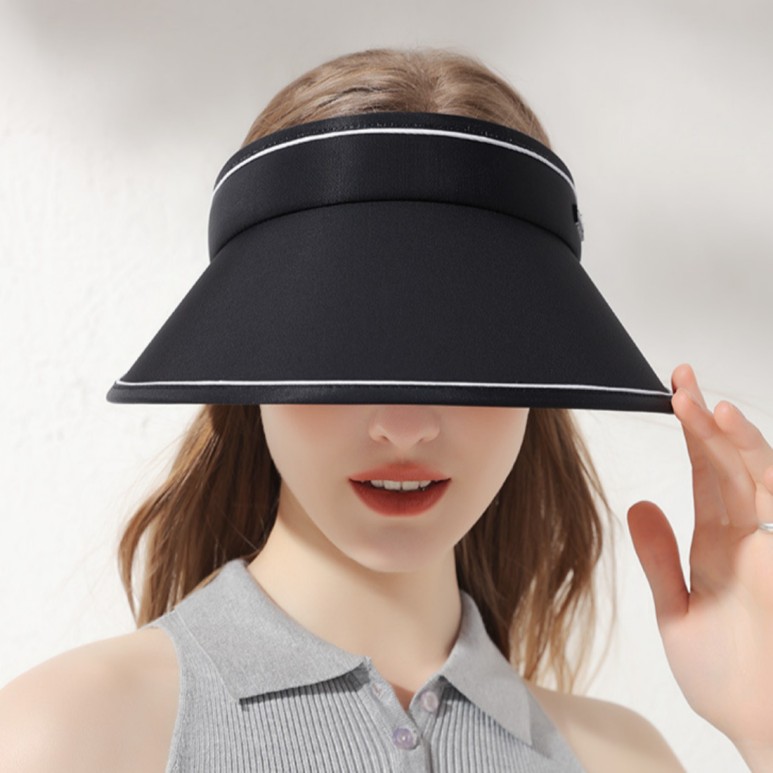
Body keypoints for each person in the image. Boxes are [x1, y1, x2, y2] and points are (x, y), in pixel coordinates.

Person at [1, 46, 771, 773]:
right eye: (345, 348)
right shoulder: (68, 734)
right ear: (251, 359)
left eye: (465, 357)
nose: (405, 425)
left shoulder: (619, 758)